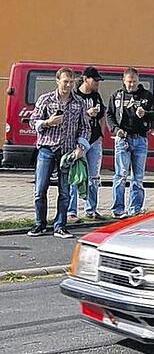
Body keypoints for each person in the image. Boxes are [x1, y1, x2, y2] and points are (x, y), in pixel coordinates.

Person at [27, 67, 90, 239]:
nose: (68, 85)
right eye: (65, 82)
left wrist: (81, 147)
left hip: (67, 152)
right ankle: (40, 224)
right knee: (40, 189)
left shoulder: (79, 102)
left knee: (65, 191)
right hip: (47, 149)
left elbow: (85, 127)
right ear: (57, 81)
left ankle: (60, 226)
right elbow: (32, 122)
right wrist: (47, 122)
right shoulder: (45, 99)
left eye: (71, 82)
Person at [106, 67, 154, 219]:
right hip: (123, 139)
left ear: (138, 81)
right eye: (129, 82)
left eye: (134, 82)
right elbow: (109, 114)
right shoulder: (116, 96)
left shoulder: (146, 96)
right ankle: (118, 209)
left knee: (138, 177)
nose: (131, 85)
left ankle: (135, 208)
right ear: (124, 80)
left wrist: (145, 114)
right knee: (121, 174)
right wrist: (115, 130)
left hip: (140, 139)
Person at [67, 66, 106, 222]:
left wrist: (101, 134)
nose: (97, 83)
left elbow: (103, 114)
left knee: (94, 177)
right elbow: (69, 117)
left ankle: (91, 209)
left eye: (98, 80)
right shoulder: (75, 96)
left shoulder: (96, 96)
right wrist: (87, 114)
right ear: (85, 79)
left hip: (94, 140)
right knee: (75, 175)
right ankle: (71, 211)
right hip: (77, 141)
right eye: (95, 80)